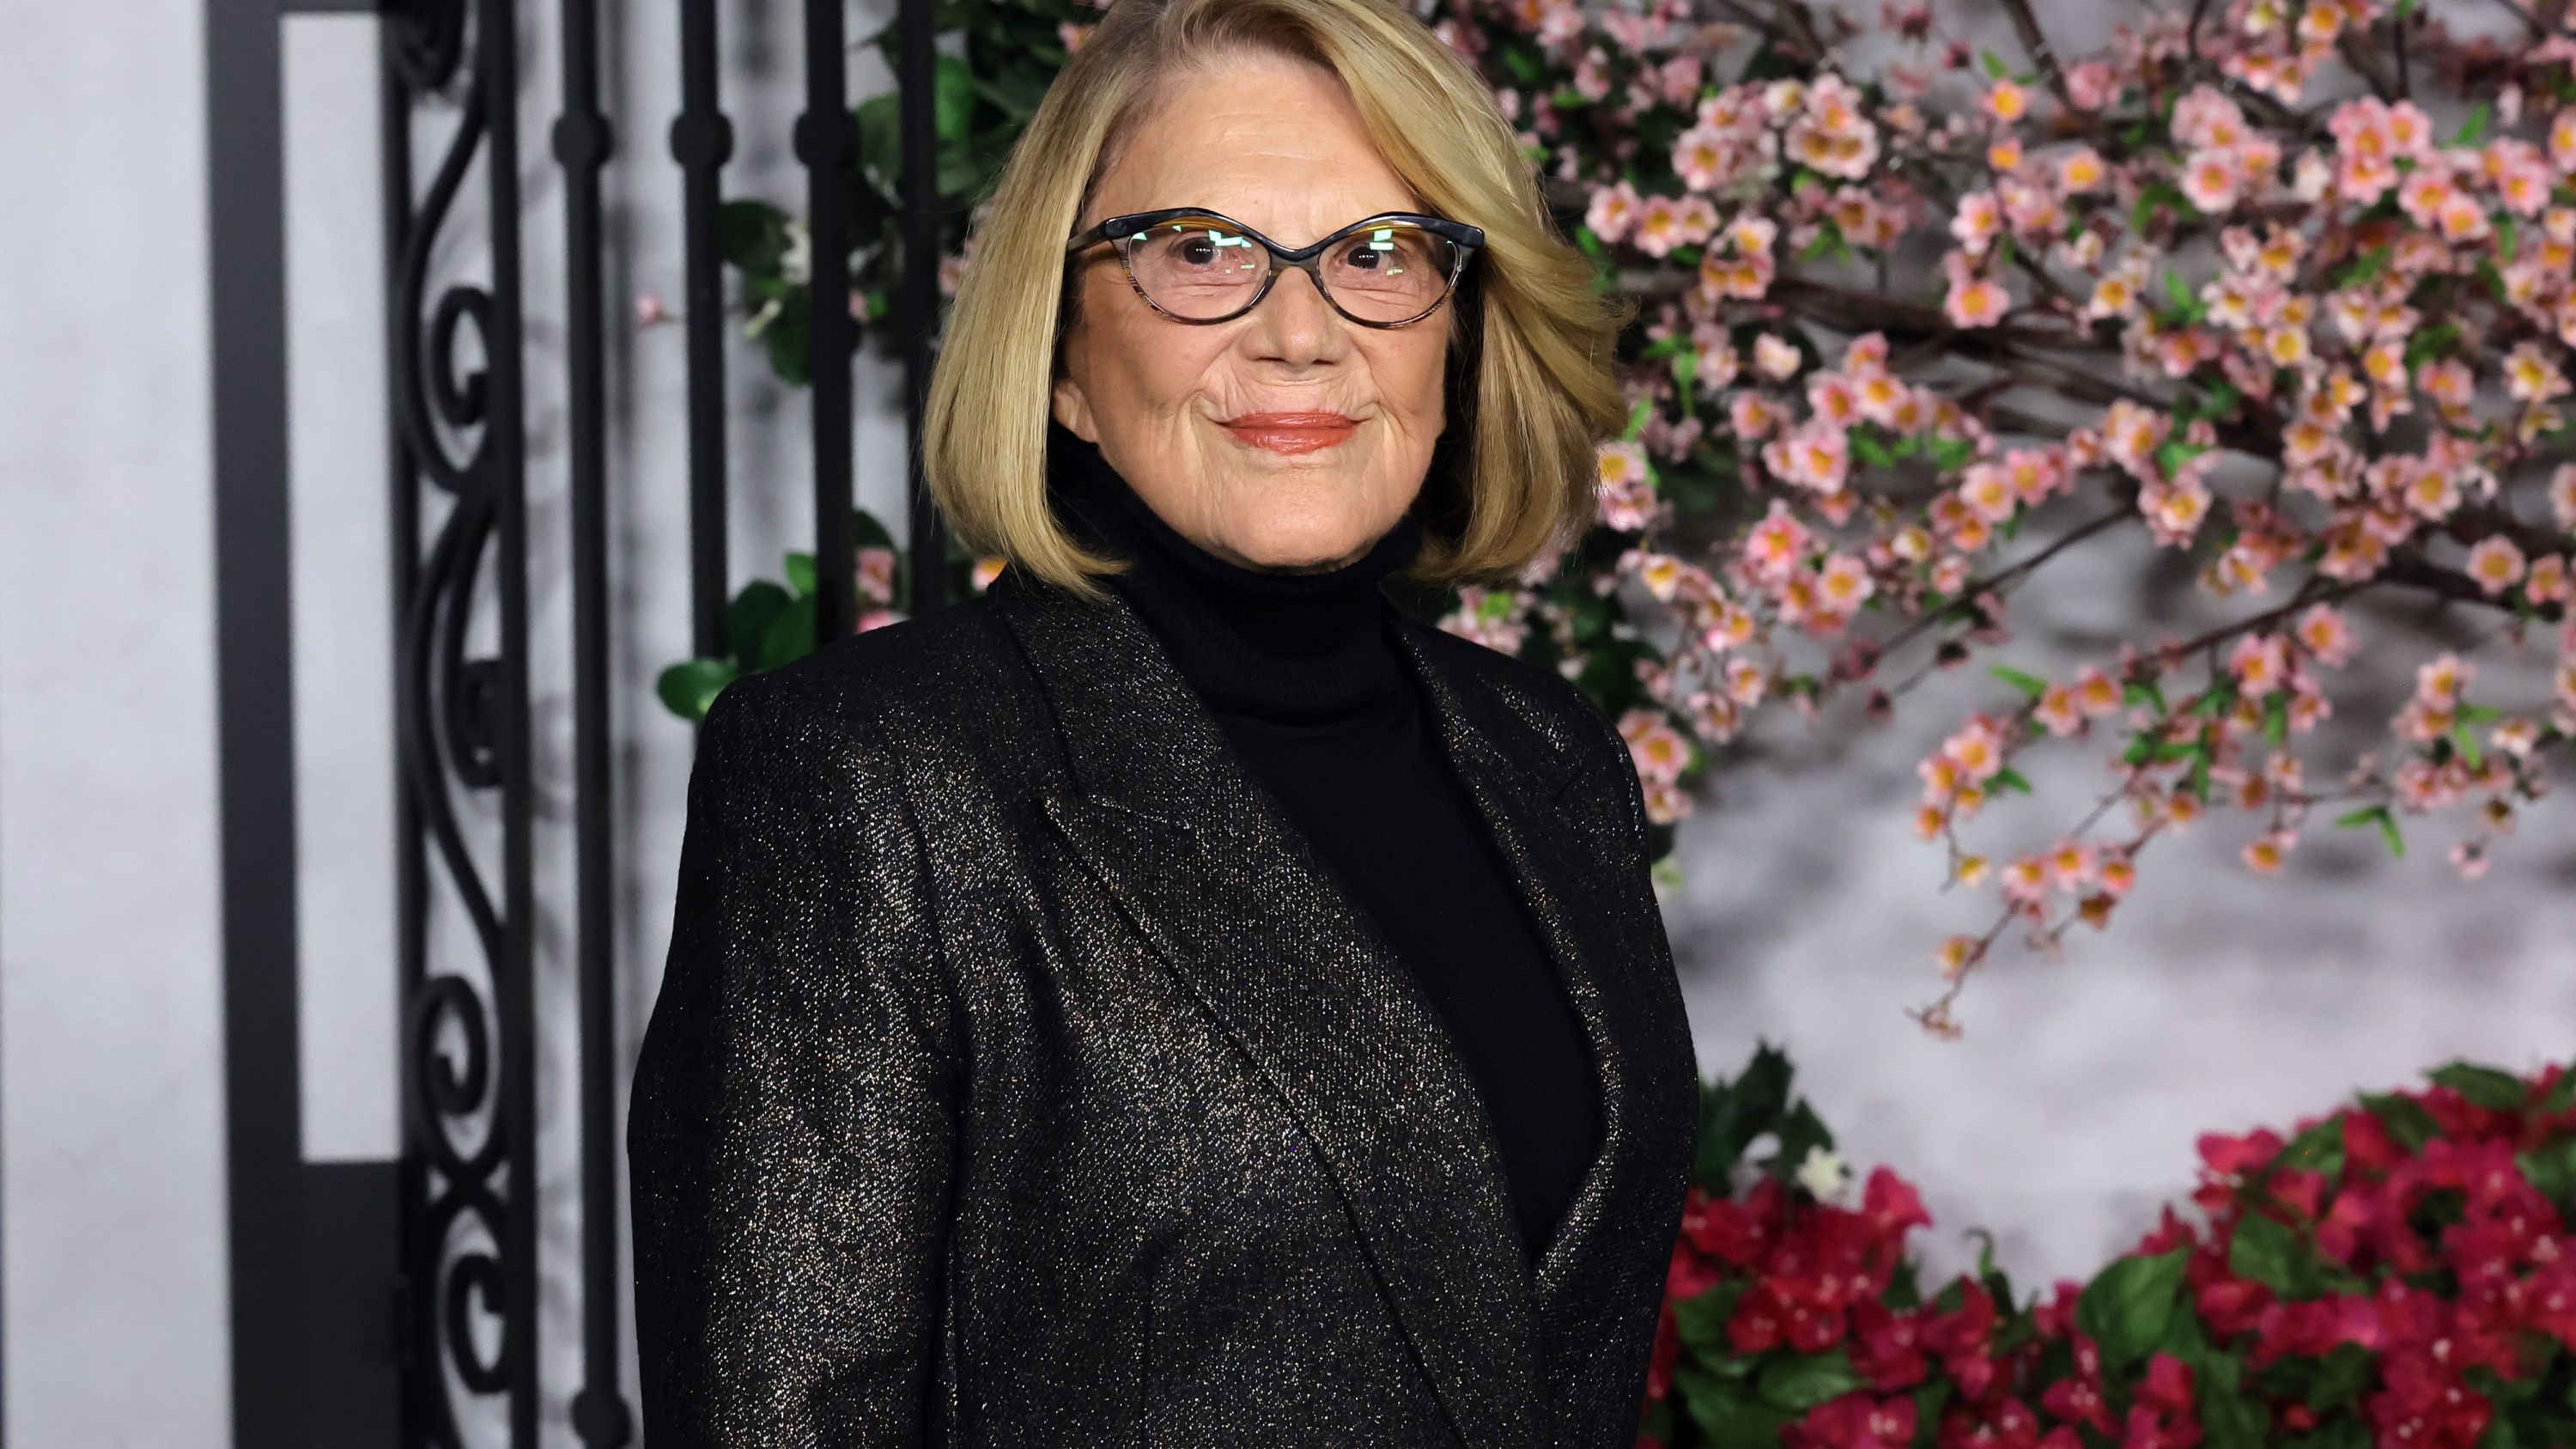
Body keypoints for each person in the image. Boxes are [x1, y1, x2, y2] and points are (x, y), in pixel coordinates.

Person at [625, 0, 1702, 1443]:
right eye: (1204, 251)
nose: (1303, 335)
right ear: (1063, 355)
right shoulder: (867, 781)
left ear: (1458, 327)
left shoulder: (1547, 756)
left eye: (1381, 252)